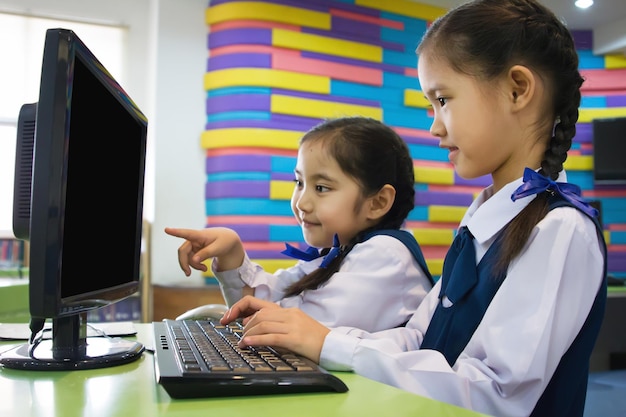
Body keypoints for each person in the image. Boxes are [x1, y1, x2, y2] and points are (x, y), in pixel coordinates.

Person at [218, 1, 608, 416]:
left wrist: (329, 343)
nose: (434, 126)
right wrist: (317, 338)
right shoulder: (482, 220)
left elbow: (494, 395)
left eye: (443, 99)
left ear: (517, 89)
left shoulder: (561, 229)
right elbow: (418, 339)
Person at [165, 116, 433, 332]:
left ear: (377, 202)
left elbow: (292, 329)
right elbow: (264, 303)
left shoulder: (385, 256)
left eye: (321, 187)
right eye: (299, 183)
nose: (302, 202)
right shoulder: (334, 255)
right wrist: (231, 252)